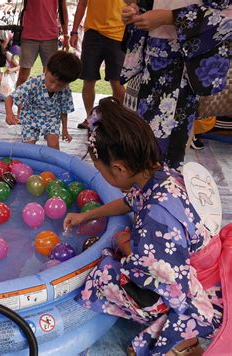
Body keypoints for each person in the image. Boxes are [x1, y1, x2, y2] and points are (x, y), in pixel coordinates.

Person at [63, 97, 223, 355]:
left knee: (104, 272)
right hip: (186, 263)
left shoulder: (156, 218)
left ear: (118, 168)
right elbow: (130, 202)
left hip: (195, 289)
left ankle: (180, 338)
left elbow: (165, 282)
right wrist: (85, 217)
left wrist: (127, 248)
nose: (101, 174)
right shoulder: (162, 175)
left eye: (99, 169)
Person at [121, 0, 231, 169]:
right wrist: (136, 10)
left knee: (166, 146)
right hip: (149, 60)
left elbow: (226, 14)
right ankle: (145, 188)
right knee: (141, 138)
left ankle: (162, 189)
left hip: (182, 64)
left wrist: (171, 17)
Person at [5, 51, 81, 150]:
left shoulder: (65, 91)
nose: (54, 87)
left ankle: (52, 165)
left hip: (51, 119)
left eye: (60, 85)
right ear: (46, 70)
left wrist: (65, 129)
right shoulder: (33, 83)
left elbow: (64, 110)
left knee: (54, 146)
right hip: (31, 117)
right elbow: (10, 98)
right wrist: (9, 113)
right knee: (28, 147)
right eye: (52, 81)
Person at [70, 0, 126, 129]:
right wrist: (74, 31)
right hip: (93, 33)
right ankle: (90, 117)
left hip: (118, 34)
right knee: (88, 80)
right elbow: (82, 4)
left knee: (117, 83)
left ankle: (114, 119)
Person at [15, 0, 69, 87]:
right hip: (29, 35)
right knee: (23, 75)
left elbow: (63, 10)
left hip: (50, 36)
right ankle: (18, 99)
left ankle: (46, 99)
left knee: (50, 75)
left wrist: (66, 35)